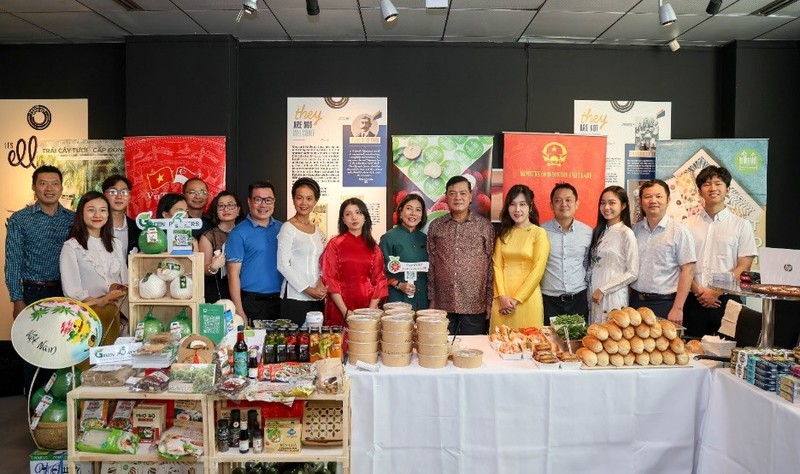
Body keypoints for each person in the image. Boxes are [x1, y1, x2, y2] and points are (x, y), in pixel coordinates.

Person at [5, 165, 74, 393]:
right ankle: (33, 410)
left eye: (54, 183)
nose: (49, 188)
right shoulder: (20, 220)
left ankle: (60, 409)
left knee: (65, 351)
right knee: (36, 351)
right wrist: (17, 299)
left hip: (66, 293)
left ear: (62, 188)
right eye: (43, 183)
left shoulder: (72, 219)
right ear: (34, 187)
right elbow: (13, 261)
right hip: (33, 293)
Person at [684, 166, 757, 337]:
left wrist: (716, 291)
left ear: (727, 189)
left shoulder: (741, 225)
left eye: (718, 183)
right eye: (707, 184)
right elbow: (681, 264)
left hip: (727, 300)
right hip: (693, 300)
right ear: (700, 191)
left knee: (727, 355)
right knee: (691, 351)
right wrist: (698, 291)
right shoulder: (686, 225)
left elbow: (744, 266)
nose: (712, 188)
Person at [428, 176, 494, 335]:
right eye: (452, 193)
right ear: (446, 196)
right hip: (443, 301)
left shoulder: (484, 226)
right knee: (441, 349)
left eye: (463, 193)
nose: (458, 197)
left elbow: (491, 264)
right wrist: (432, 298)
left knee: (471, 349)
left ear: (470, 196)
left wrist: (489, 301)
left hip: (474, 301)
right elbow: (431, 263)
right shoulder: (436, 226)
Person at [59, 191, 128, 345]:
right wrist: (103, 301)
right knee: (90, 365)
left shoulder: (116, 244)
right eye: (91, 210)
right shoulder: (71, 247)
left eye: (103, 210)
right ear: (81, 213)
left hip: (116, 315)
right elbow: (72, 291)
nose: (97, 215)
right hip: (87, 319)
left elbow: (125, 279)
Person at [630, 179, 696, 323]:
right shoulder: (634, 230)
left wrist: (678, 308)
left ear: (668, 200)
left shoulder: (680, 231)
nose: (653, 200)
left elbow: (688, 270)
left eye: (659, 196)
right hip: (635, 302)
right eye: (647, 197)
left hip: (665, 304)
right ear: (641, 202)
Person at [490, 185, 549, 330]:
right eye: (512, 204)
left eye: (522, 204)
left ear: (530, 207)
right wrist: (502, 297)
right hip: (502, 299)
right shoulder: (503, 233)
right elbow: (496, 266)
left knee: (529, 344)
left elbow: (538, 270)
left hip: (527, 299)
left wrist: (516, 300)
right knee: (500, 343)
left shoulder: (539, 233)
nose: (517, 210)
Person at [321, 198, 388, 326]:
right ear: (343, 220)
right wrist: (345, 312)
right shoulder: (334, 244)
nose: (354, 217)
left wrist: (370, 311)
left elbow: (379, 281)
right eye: (348, 214)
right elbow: (330, 279)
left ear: (365, 217)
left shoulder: (374, 247)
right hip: (340, 307)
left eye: (358, 212)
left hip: (367, 308)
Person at [226, 181, 283, 325]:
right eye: (258, 199)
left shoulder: (283, 229)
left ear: (274, 202)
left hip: (282, 301)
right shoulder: (238, 233)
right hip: (253, 303)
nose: (263, 205)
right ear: (249, 202)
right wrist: (239, 311)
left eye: (268, 200)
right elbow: (233, 274)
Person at [277, 178, 327, 326]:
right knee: (294, 344)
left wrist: (320, 283)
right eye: (299, 198)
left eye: (309, 198)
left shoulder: (317, 231)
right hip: (294, 297)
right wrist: (308, 289)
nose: (304, 203)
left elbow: (320, 262)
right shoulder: (288, 228)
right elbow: (282, 265)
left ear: (315, 201)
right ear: (293, 199)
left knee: (316, 342)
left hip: (317, 297)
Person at [540, 183, 593, 324]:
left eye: (568, 200)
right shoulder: (540, 232)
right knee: (550, 344)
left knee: (578, 343)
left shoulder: (588, 232)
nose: (564, 204)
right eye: (558, 200)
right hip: (549, 301)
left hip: (578, 300)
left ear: (577, 204)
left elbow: (588, 264)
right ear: (551, 205)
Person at [588, 186, 639, 324]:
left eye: (612, 203)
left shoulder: (626, 233)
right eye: (603, 203)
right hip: (594, 295)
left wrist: (603, 290)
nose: (606, 207)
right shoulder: (599, 232)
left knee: (611, 337)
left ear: (623, 206)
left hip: (613, 296)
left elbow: (633, 272)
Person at [379, 193, 430, 311]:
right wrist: (398, 284)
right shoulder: (389, 238)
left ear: (422, 215)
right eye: (409, 208)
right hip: (397, 298)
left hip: (422, 299)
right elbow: (379, 271)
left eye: (418, 210)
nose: (413, 213)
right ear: (401, 213)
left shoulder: (425, 238)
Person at [199, 191, 242, 303]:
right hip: (218, 290)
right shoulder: (208, 236)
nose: (226, 209)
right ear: (216, 211)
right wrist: (213, 267)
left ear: (238, 210)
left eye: (230, 205)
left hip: (245, 290)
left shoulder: (245, 233)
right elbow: (202, 269)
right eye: (221, 206)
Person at [102, 174, 141, 254]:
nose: (119, 196)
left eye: (124, 192)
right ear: (104, 195)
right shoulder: (95, 227)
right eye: (113, 192)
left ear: (129, 196)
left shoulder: (137, 229)